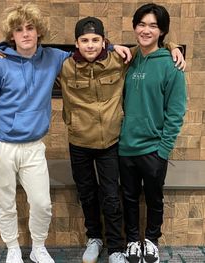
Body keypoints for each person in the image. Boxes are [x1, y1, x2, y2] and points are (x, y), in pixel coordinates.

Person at [56, 16, 186, 263]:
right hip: (79, 142)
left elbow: (148, 48)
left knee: (111, 195)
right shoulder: (63, 66)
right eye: (84, 40)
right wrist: (3, 54)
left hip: (110, 143)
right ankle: (94, 237)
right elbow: (33, 58)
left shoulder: (120, 59)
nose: (91, 45)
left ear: (105, 41)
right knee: (87, 193)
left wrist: (173, 47)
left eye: (96, 40)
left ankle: (116, 247)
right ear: (76, 43)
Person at [0, 3, 72, 263]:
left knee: (42, 203)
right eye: (19, 29)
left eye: (30, 28)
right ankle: (13, 248)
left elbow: (87, 51)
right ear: (11, 36)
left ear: (39, 31)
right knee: (4, 202)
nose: (25, 33)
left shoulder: (53, 58)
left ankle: (38, 247)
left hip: (34, 147)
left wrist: (113, 47)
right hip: (1, 147)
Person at [118, 3, 187, 263]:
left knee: (155, 199)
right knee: (129, 198)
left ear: (162, 31)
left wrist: (163, 149)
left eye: (153, 26)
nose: (146, 30)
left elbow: (176, 111)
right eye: (142, 24)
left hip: (154, 149)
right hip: (125, 146)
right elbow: (98, 50)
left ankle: (151, 241)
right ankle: (132, 241)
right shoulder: (127, 59)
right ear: (135, 27)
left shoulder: (172, 66)